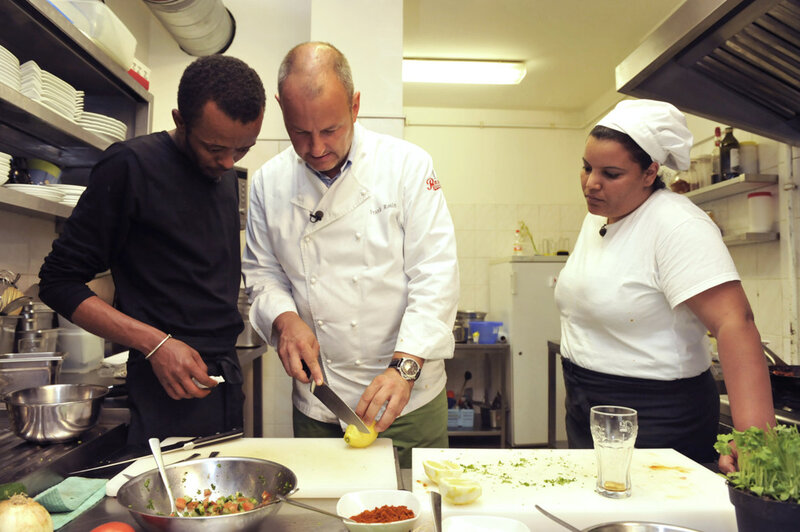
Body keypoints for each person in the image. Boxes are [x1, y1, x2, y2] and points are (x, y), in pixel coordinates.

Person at [242, 42, 458, 467]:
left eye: (330, 130)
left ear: (355, 106)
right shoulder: (269, 182)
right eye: (300, 133)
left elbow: (435, 273)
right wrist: (285, 320)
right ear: (281, 108)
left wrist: (405, 369)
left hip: (409, 398)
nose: (316, 148)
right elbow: (263, 274)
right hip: (320, 399)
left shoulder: (407, 165)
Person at [38, 55, 266, 446]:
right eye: (215, 148)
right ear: (180, 120)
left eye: (243, 150)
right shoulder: (130, 166)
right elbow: (57, 281)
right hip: (165, 386)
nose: (228, 163)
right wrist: (155, 343)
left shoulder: (225, 176)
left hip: (223, 380)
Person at [554, 99, 775, 471]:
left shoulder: (676, 225)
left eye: (611, 173)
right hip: (586, 405)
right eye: (587, 167)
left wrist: (754, 439)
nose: (591, 183)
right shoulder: (599, 218)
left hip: (656, 416)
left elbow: (734, 322)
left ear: (649, 173)